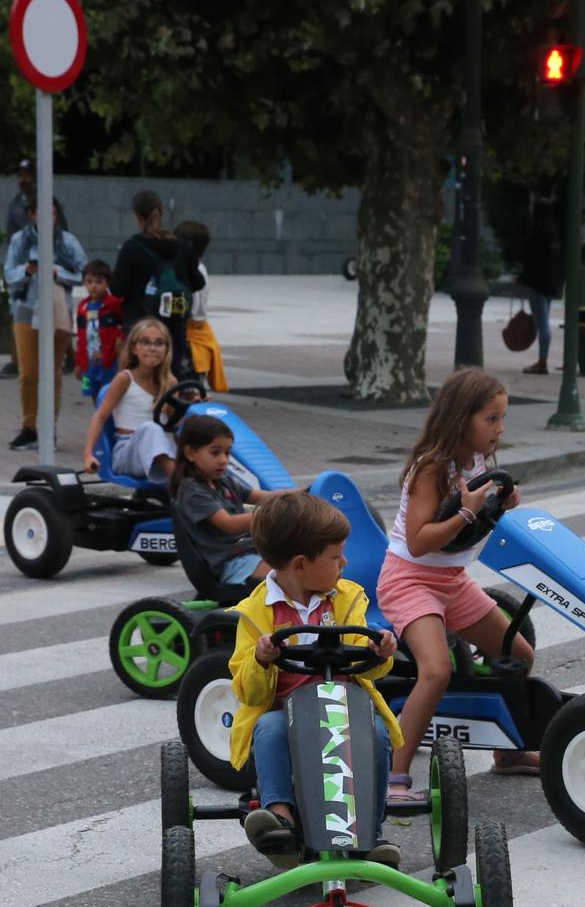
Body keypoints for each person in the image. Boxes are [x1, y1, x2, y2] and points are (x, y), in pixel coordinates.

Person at [378, 367, 538, 799]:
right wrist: (467, 511)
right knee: (435, 670)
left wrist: (498, 508)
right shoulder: (432, 468)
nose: (500, 429)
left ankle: (509, 752)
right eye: (492, 419)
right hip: (409, 580)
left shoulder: (478, 463)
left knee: (519, 655)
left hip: (451, 580)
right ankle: (396, 777)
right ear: (462, 418)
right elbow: (418, 539)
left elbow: (469, 533)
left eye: (502, 419)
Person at [228, 492, 404, 868]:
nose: (345, 562)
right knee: (269, 728)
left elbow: (368, 663)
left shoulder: (346, 599)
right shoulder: (256, 613)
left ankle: (369, 835)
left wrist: (379, 651)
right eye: (336, 555)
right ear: (301, 564)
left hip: (345, 708)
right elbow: (247, 690)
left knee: (374, 733)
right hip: (285, 711)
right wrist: (261, 659)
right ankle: (280, 823)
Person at [3, 197, 86, 451]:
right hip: (27, 309)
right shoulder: (20, 240)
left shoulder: (68, 241)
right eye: (42, 214)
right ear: (32, 215)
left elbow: (85, 274)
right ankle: (29, 426)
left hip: (58, 312)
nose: (48, 219)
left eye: (52, 214)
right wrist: (27, 271)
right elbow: (9, 274)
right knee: (29, 374)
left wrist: (58, 272)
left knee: (53, 372)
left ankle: (50, 427)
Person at [172, 412, 283, 593]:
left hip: (249, 554)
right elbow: (228, 524)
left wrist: (304, 494)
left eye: (227, 453)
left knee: (302, 561)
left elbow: (264, 496)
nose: (224, 459)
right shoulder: (192, 491)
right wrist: (273, 514)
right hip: (229, 564)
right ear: (190, 453)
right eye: (215, 452)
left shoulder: (224, 482)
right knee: (288, 576)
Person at [80, 316, 193, 485]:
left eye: (159, 343)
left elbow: (173, 424)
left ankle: (239, 497)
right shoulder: (124, 379)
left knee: (205, 432)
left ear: (166, 349)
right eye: (146, 342)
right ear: (134, 348)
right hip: (127, 452)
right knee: (150, 428)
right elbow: (99, 417)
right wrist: (88, 455)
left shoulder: (170, 382)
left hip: (161, 447)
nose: (152, 348)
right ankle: (184, 486)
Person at [110, 189, 206, 378]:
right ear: (161, 212)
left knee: (139, 379)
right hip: (174, 326)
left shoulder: (131, 247)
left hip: (140, 324)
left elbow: (118, 288)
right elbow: (198, 282)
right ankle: (168, 407)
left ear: (137, 216)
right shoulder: (182, 246)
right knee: (171, 378)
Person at [174, 219, 229, 393]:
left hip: (191, 341)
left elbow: (192, 306)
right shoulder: (200, 268)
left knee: (189, 390)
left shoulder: (193, 271)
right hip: (196, 337)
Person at [0, 159, 34, 378]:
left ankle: (68, 355)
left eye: (27, 174)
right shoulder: (16, 203)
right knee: (17, 313)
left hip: (42, 267)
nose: (23, 179)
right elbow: (11, 237)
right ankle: (15, 360)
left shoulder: (46, 201)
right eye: (20, 175)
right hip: (22, 268)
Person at [74, 260, 125, 404]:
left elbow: (124, 327)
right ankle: (99, 422)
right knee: (93, 394)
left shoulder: (114, 304)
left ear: (107, 283)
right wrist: (79, 362)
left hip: (108, 361)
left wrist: (117, 346)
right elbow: (81, 335)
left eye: (99, 282)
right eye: (89, 281)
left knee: (108, 394)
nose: (94, 286)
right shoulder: (83, 306)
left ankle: (106, 423)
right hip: (89, 361)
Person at [520, 199, 562, 375]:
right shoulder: (553, 232)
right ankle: (542, 359)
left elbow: (532, 259)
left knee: (542, 323)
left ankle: (542, 360)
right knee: (543, 321)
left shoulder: (537, 231)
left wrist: (523, 277)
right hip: (550, 283)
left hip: (537, 282)